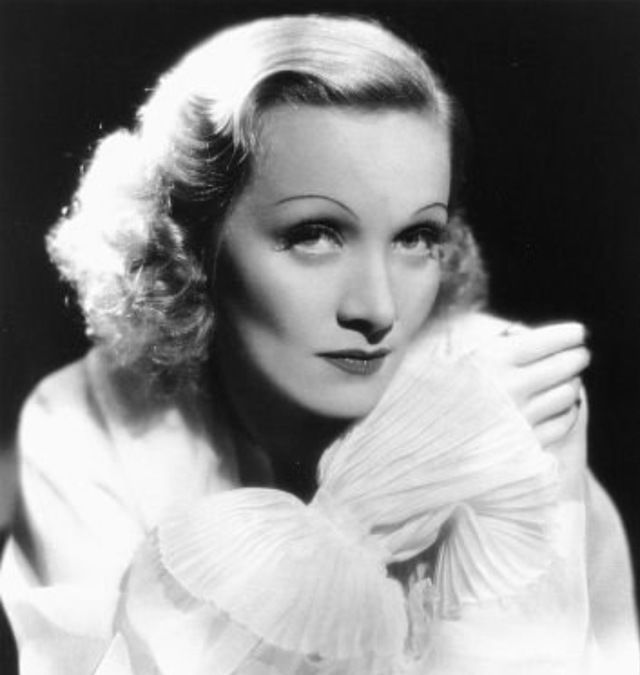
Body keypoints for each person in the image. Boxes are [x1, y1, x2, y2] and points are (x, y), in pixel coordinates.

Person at [0, 13, 636, 675]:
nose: (378, 309)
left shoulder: (505, 391)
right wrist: (351, 516)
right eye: (314, 234)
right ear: (186, 247)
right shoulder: (87, 423)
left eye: (416, 237)